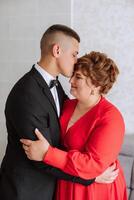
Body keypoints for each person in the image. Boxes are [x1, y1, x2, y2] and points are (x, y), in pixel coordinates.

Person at [0, 25, 117, 200]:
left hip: (53, 187)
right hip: (27, 191)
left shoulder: (56, 86)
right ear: (57, 50)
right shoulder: (26, 94)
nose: (76, 60)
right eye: (74, 54)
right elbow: (38, 155)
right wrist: (91, 177)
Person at [21, 51, 127, 200]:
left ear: (96, 85)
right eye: (73, 75)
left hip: (95, 189)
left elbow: (93, 165)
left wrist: (48, 153)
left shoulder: (111, 119)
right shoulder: (68, 105)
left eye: (78, 77)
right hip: (67, 179)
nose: (70, 81)